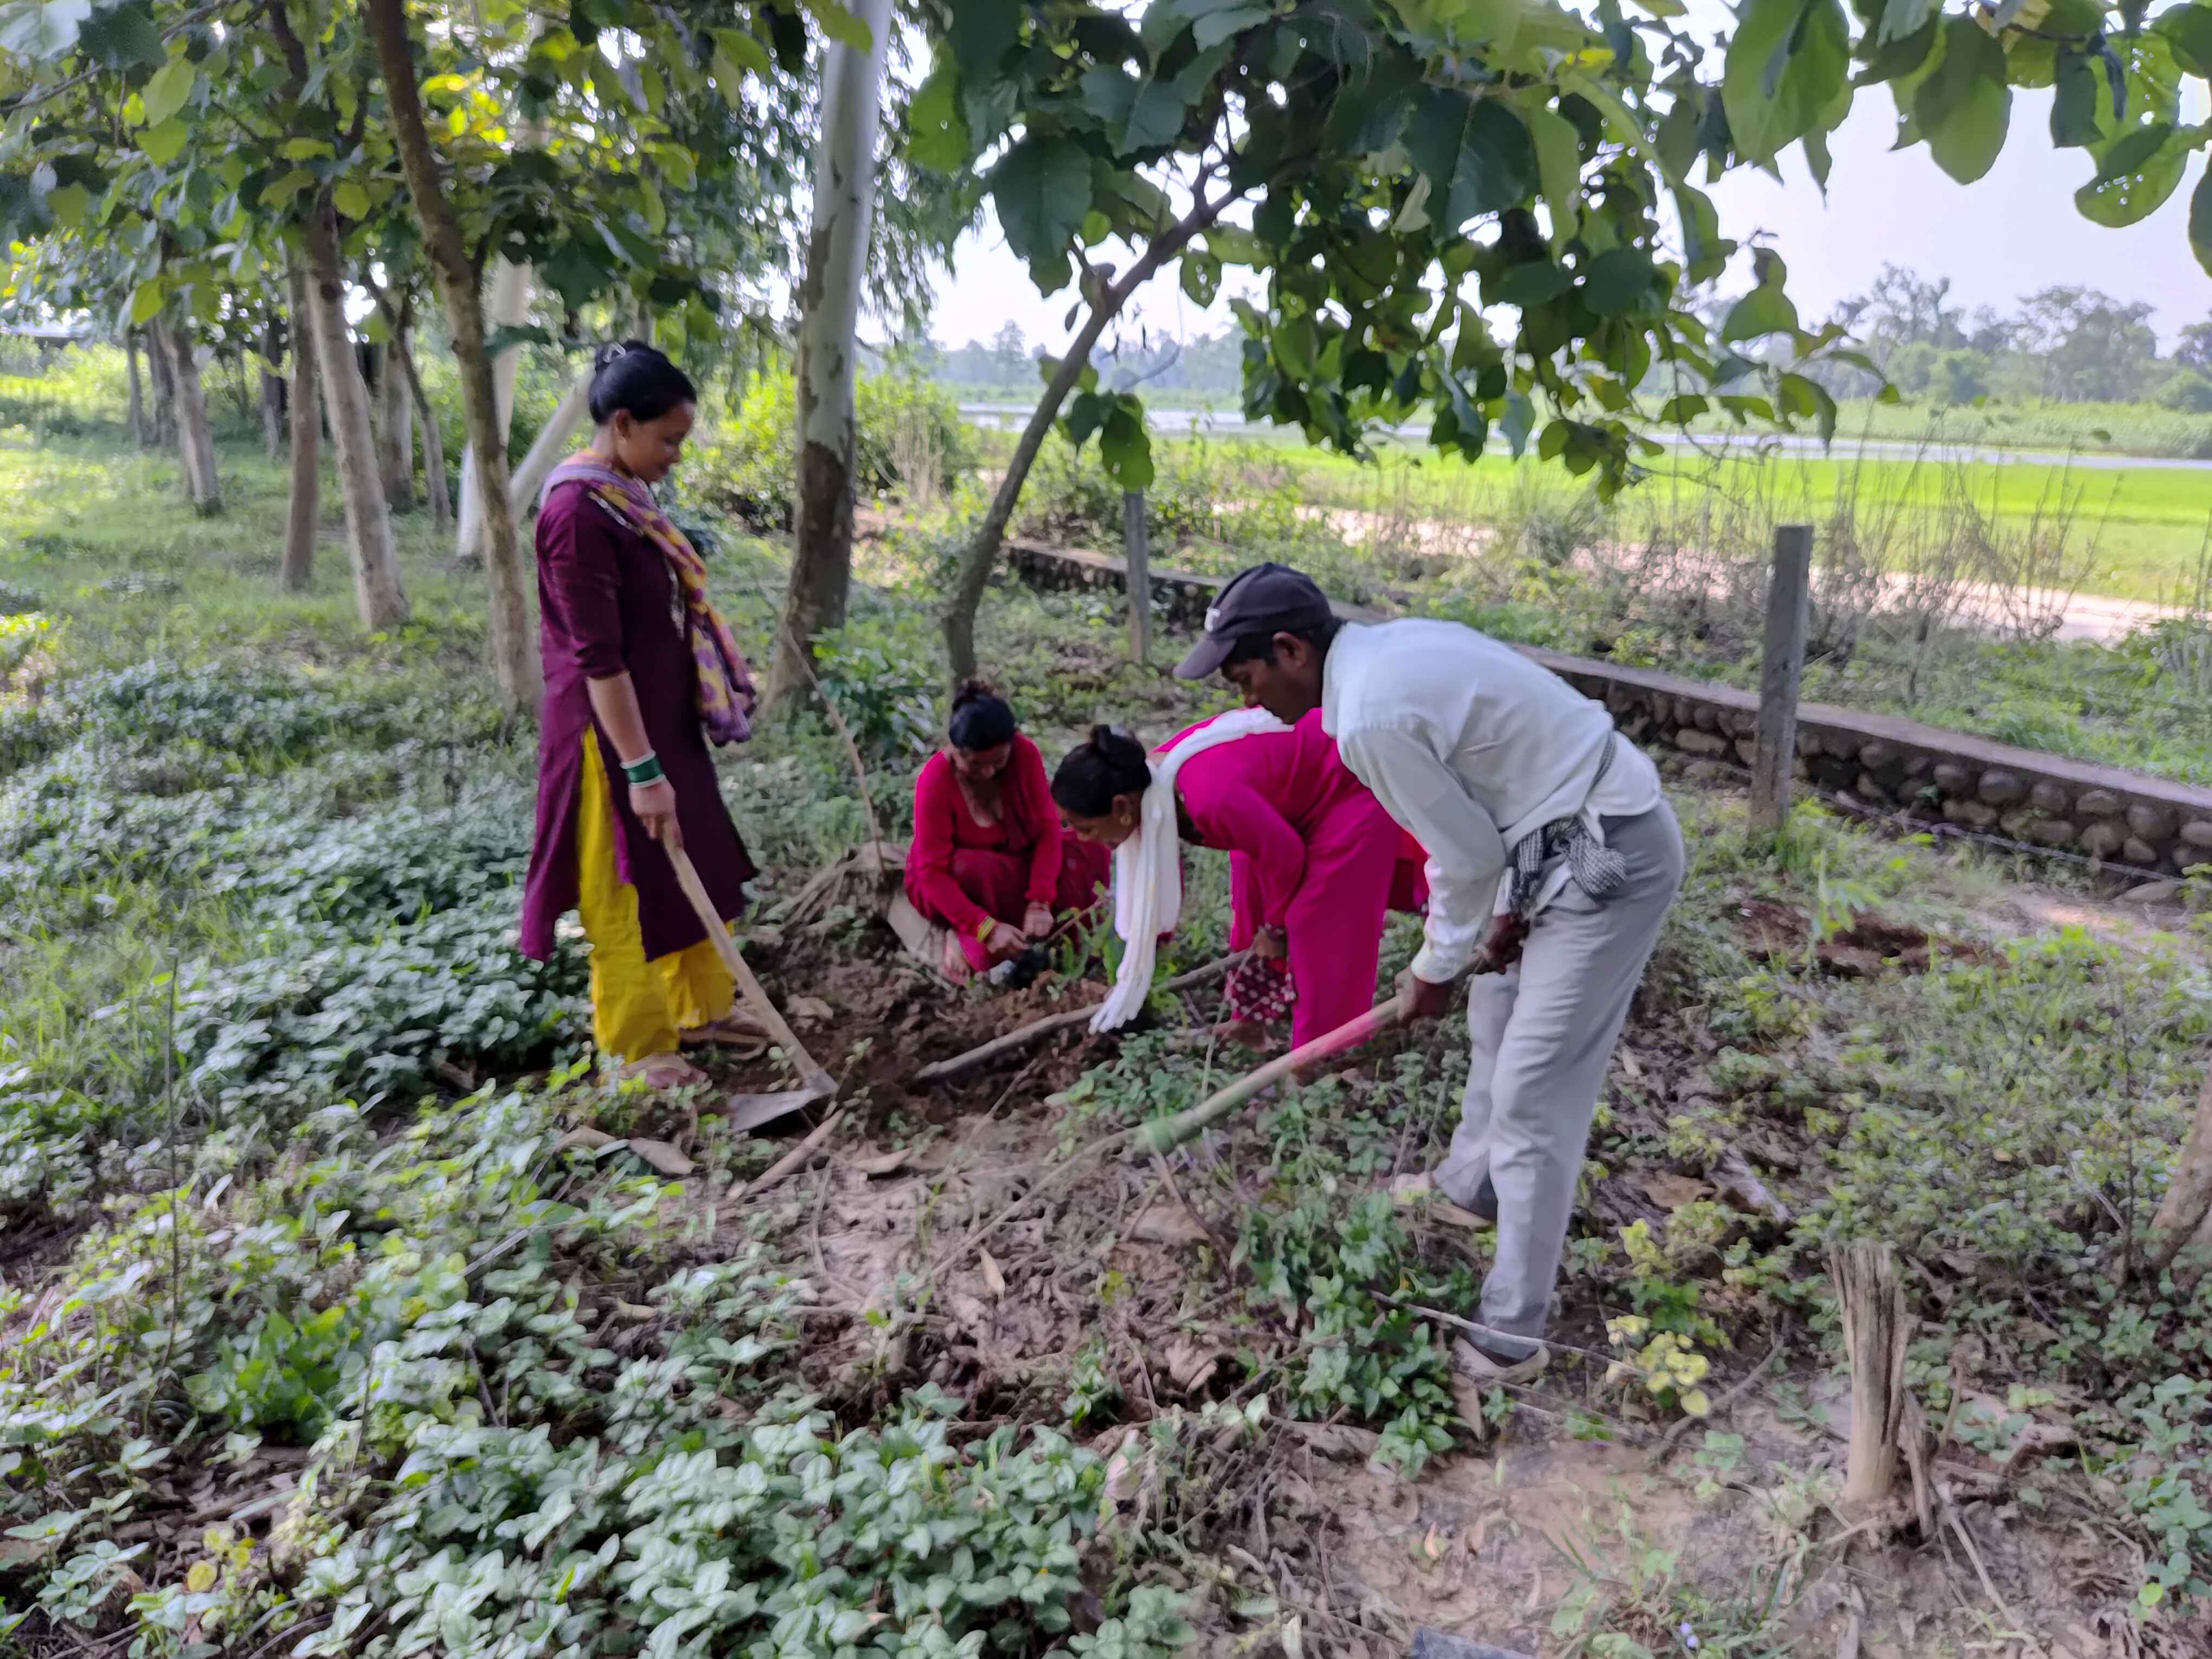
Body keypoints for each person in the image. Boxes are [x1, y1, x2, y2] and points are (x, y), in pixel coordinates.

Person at [1174, 562, 1684, 1387]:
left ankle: (1512, 1335)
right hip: (1545, 840)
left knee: (1534, 1095)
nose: (1247, 701)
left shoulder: (1372, 715)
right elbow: (1491, 825)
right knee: (1495, 1017)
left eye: (1247, 676)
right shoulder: (1377, 661)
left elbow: (1464, 854)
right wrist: (1495, 922)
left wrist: (1432, 968)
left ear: (1291, 650)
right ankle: (1470, 1187)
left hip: (1607, 856)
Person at [519, 340, 767, 1090]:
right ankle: (639, 1051)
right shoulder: (575, 516)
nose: (676, 457)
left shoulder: (625, 499)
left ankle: (702, 1011)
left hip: (663, 722)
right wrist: (643, 770)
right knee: (622, 888)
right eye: (669, 440)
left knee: (693, 868)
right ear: (621, 424)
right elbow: (600, 659)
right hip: (609, 738)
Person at [1051, 712, 1423, 1050]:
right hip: (1277, 798)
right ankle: (1249, 1024)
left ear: (1120, 807)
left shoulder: (1208, 799)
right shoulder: (1148, 785)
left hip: (1343, 783)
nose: (1083, 838)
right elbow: (1161, 875)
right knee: (1250, 907)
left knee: (1320, 927)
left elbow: (1287, 856)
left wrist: (1276, 929)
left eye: (1086, 828)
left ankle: (1326, 1057)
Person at [905, 681, 1111, 985]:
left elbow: (1047, 830)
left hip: (1018, 867)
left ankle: (1046, 937)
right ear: (954, 749)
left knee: (1089, 849)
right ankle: (962, 935)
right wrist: (985, 929)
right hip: (967, 884)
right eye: (975, 765)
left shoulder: (1025, 755)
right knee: (975, 869)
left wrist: (1040, 902)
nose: (988, 773)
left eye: (997, 763)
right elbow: (933, 874)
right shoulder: (935, 781)